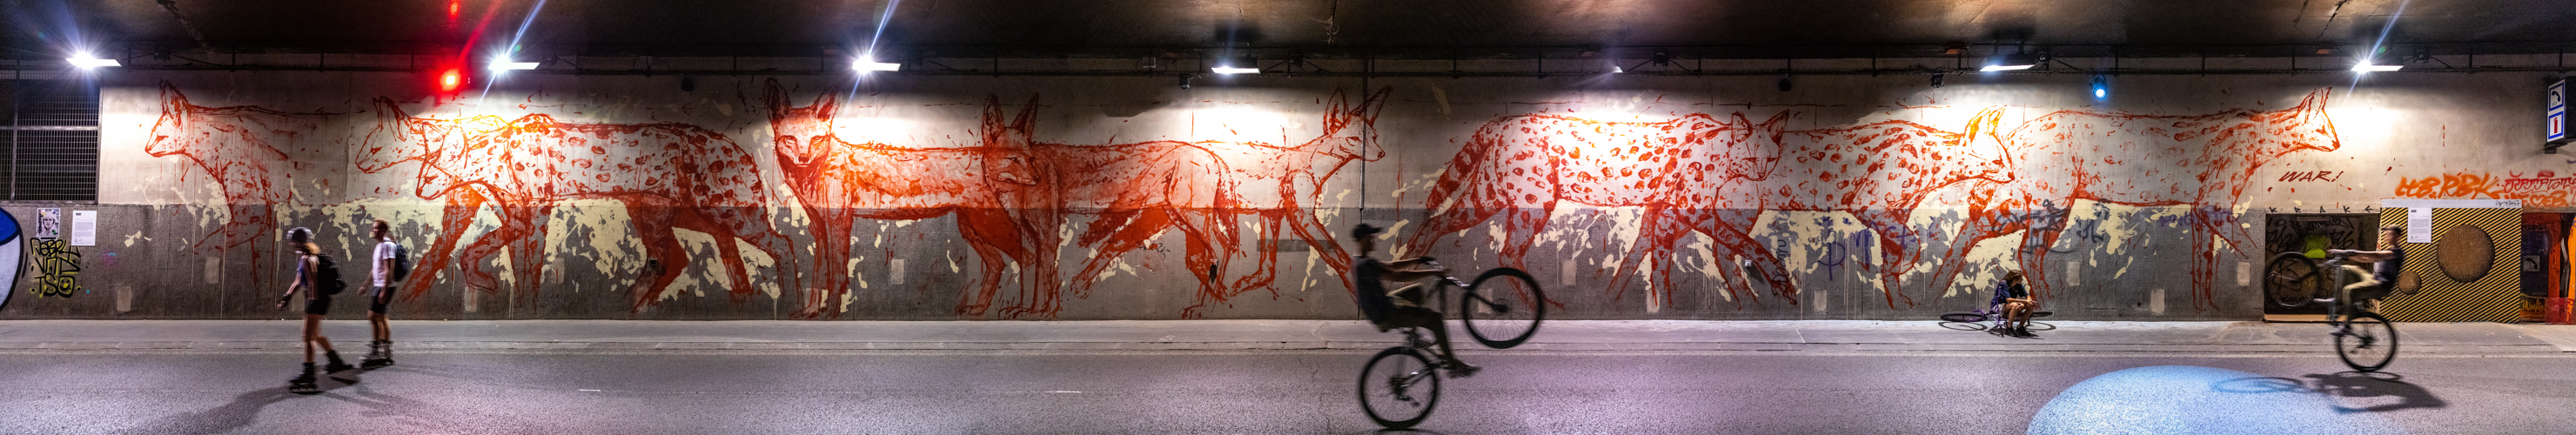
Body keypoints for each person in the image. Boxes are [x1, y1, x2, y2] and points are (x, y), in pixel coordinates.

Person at [1349, 224, 1478, 378]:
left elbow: (1392, 265)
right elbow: (1398, 276)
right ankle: (1453, 365)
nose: (1374, 240)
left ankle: (1415, 336)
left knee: (1416, 290)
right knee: (1435, 319)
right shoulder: (1364, 265)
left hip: (1382, 304)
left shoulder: (1360, 260)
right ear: (1363, 240)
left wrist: (1420, 259)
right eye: (1371, 237)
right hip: (1386, 312)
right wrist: (1434, 272)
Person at [278, 227, 357, 393]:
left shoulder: (308, 259)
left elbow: (312, 281)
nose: (291, 244)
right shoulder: (307, 258)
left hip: (316, 301)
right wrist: (287, 296)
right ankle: (336, 362)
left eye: (293, 241)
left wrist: (313, 303)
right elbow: (298, 281)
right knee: (315, 335)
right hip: (318, 300)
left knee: (307, 338)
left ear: (299, 241)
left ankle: (309, 375)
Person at [2327, 225, 2410, 323]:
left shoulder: (2397, 253)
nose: (2386, 236)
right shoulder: (2390, 249)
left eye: (2389, 234)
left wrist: (2351, 252)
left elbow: (2377, 255)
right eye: (2386, 234)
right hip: (2373, 278)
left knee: (2349, 290)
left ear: (2397, 236)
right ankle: (2335, 301)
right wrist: (2346, 255)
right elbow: (2366, 259)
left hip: (2381, 286)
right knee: (2346, 269)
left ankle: (2348, 323)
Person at [360, 219, 401, 369]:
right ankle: (386, 351)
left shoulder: (388, 245)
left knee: (373, 316)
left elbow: (389, 268)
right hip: (379, 285)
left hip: (385, 285)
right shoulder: (379, 246)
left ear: (383, 230)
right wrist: (365, 285)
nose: (374, 230)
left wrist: (384, 289)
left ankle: (376, 350)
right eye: (373, 228)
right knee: (381, 317)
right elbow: (375, 269)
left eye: (376, 228)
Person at [1990, 270, 2036, 336]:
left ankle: (2020, 327)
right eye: (2021, 278)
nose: (2022, 279)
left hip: (2012, 304)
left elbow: (2027, 295)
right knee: (2015, 305)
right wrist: (2024, 301)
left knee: (2030, 306)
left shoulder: (2018, 285)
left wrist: (2029, 300)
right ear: (2015, 279)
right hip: (1999, 306)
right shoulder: (2003, 284)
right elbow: (2009, 300)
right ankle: (2009, 328)